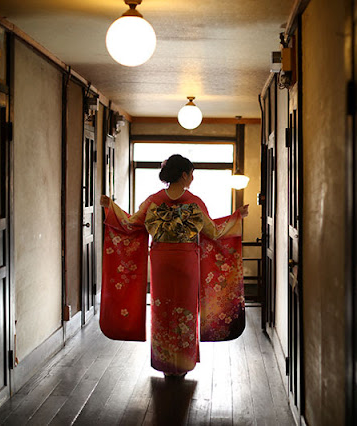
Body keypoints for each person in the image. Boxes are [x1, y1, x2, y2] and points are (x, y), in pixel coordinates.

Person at [98, 154, 249, 377]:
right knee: (187, 310)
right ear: (184, 175)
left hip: (161, 261)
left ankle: (164, 362)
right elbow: (214, 232)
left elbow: (130, 224)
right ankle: (183, 364)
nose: (193, 178)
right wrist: (237, 217)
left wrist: (111, 207)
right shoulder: (195, 202)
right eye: (192, 174)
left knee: (162, 310)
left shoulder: (153, 201)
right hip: (187, 261)